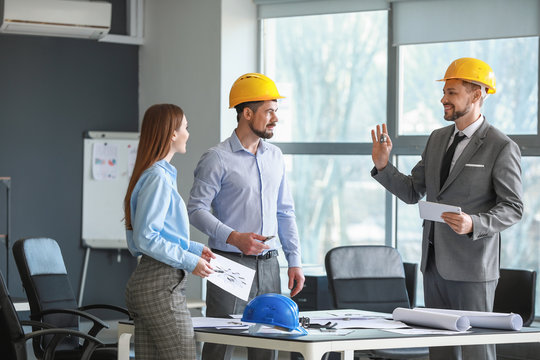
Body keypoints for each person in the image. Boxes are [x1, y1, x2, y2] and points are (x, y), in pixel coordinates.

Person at [370, 57, 523, 360]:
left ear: (477, 94)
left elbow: (513, 207)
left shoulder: (500, 146)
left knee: (475, 352)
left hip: (472, 269)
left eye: (452, 92)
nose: (443, 99)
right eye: (445, 92)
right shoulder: (438, 139)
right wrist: (383, 166)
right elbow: (414, 191)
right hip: (434, 267)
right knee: (440, 352)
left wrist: (474, 224)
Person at [188, 73, 305, 360]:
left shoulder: (275, 156)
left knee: (267, 344)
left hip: (269, 264)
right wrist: (233, 237)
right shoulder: (216, 158)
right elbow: (195, 209)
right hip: (228, 263)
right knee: (220, 343)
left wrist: (295, 261)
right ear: (247, 113)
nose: (275, 118)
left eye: (276, 111)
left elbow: (285, 212)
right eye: (269, 111)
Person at [124, 104, 215, 360]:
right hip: (159, 285)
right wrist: (189, 261)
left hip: (150, 282)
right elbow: (146, 237)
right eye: (185, 127)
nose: (188, 133)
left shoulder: (156, 174)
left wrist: (194, 249)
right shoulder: (157, 178)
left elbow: (159, 233)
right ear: (172, 133)